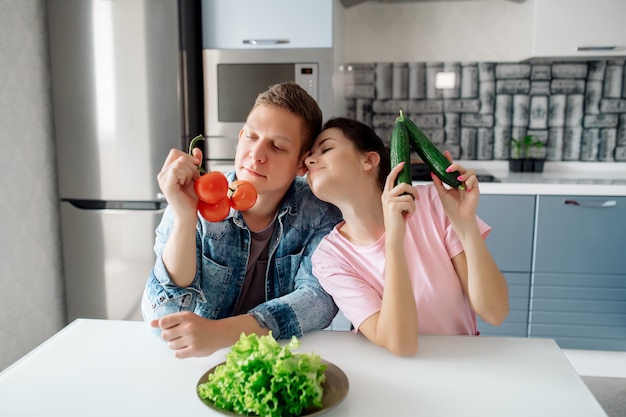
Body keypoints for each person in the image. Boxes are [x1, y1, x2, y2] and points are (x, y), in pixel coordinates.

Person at [142, 82, 343, 358]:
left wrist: (221, 334)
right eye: (251, 136)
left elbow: (319, 301)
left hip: (283, 361)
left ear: (302, 162)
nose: (256, 155)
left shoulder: (320, 212)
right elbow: (162, 320)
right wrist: (185, 217)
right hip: (201, 365)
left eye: (277, 146)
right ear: (240, 136)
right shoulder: (193, 196)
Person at [304, 117, 509, 356]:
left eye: (326, 149)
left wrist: (466, 226)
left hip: (463, 362)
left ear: (369, 160)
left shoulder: (433, 202)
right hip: (393, 375)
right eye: (308, 157)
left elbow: (495, 312)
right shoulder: (329, 258)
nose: (309, 160)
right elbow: (401, 345)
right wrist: (394, 239)